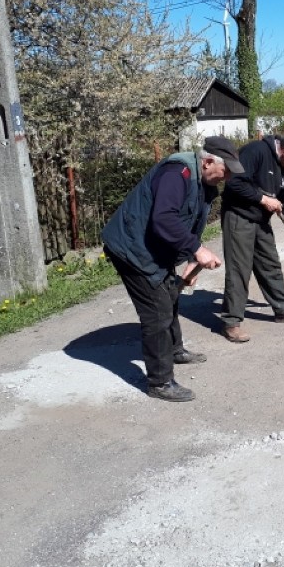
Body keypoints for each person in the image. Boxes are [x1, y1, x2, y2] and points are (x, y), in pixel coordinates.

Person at [102, 136, 244, 401]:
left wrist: (192, 257)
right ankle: (159, 382)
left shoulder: (204, 183)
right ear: (209, 161)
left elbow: (189, 222)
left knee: (170, 296)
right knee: (157, 311)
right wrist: (198, 250)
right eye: (225, 170)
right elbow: (164, 219)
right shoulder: (177, 173)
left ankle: (175, 350)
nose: (226, 177)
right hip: (132, 248)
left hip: (153, 248)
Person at [219, 132, 284, 342]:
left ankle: (283, 309)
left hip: (261, 221)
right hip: (238, 216)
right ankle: (231, 322)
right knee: (239, 269)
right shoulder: (255, 151)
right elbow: (234, 182)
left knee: (270, 264)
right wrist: (262, 198)